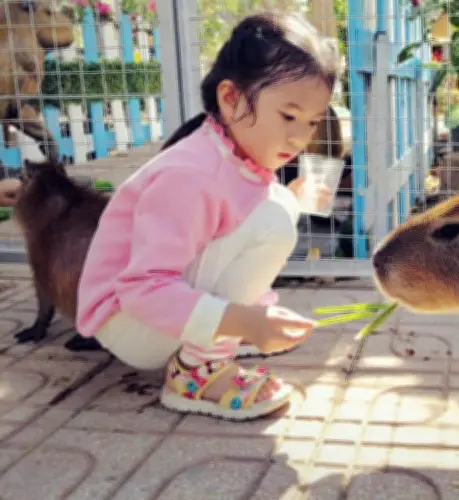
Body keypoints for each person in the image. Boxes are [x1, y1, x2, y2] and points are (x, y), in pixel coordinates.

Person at [74, 10, 342, 421]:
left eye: (311, 122)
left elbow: (232, 217)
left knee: (280, 207)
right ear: (230, 98)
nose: (299, 138)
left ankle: (216, 339)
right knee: (273, 220)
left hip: (149, 314)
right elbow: (142, 288)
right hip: (130, 322)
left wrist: (293, 198)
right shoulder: (189, 173)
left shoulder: (230, 152)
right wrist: (243, 320)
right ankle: (197, 373)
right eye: (288, 116)